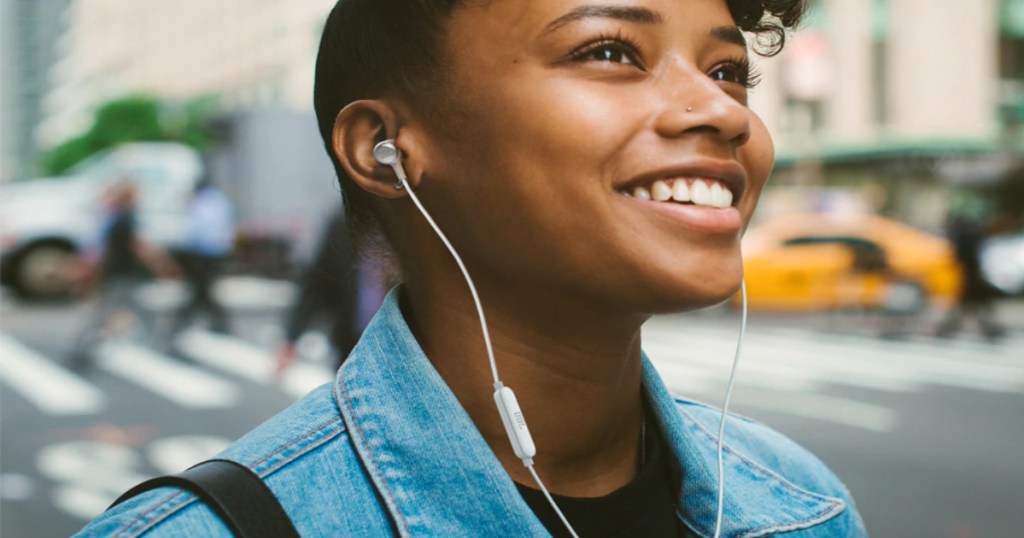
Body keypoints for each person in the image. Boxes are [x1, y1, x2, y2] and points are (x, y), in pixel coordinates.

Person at [79, 1, 867, 536]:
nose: (725, 112)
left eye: (730, 70)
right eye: (609, 51)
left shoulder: (800, 502)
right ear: (384, 150)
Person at [68, 180, 178, 369]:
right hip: (122, 273)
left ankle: (162, 341)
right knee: (110, 312)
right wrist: (160, 264)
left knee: (137, 309)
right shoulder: (126, 218)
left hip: (118, 272)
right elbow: (137, 246)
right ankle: (81, 347)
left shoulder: (115, 217)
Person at [274, 208, 386, 374]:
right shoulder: (343, 223)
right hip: (352, 342)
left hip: (406, 343)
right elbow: (317, 284)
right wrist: (292, 338)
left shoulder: (419, 220)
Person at [170, 177, 235, 336]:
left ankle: (184, 321)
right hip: (217, 252)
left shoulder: (198, 201)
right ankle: (217, 324)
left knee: (200, 289)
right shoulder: (221, 200)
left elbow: (194, 229)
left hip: (199, 252)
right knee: (203, 289)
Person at [935, 213, 1004, 340]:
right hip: (972, 277)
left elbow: (958, 255)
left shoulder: (962, 235)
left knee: (970, 307)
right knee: (972, 307)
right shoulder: (974, 234)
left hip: (968, 278)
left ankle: (947, 329)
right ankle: (990, 330)